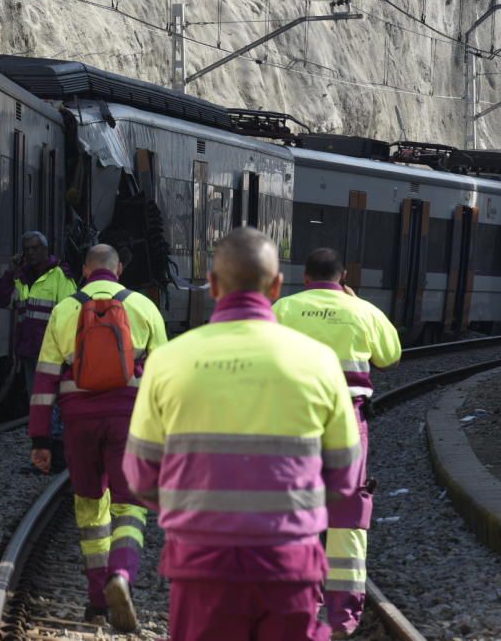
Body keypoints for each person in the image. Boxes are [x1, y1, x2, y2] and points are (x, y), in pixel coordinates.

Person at [123, 227, 362, 641]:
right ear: (276, 286)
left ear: (213, 284)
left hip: (201, 563)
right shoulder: (319, 362)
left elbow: (141, 475)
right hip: (289, 564)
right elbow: (344, 476)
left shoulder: (169, 361)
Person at [28, 244, 167, 632]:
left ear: (86, 270)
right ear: (118, 269)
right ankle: (121, 574)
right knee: (130, 506)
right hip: (129, 422)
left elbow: (43, 380)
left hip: (79, 423)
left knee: (90, 510)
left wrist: (40, 439)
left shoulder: (64, 309)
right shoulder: (143, 308)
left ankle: (96, 601)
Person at [273, 247, 402, 638]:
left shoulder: (283, 309)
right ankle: (343, 616)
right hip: (346, 421)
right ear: (343, 277)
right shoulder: (363, 311)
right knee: (347, 514)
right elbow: (391, 355)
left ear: (306, 277)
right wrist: (357, 304)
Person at [0, 231, 75, 466]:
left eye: (34, 248)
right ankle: (46, 455)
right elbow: (2, 300)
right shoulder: (20, 277)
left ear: (45, 250)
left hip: (54, 352)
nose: (30, 253)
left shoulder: (60, 275)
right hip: (30, 352)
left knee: (55, 404)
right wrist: (9, 272)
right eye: (26, 249)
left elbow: (71, 313)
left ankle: (58, 454)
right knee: (39, 403)